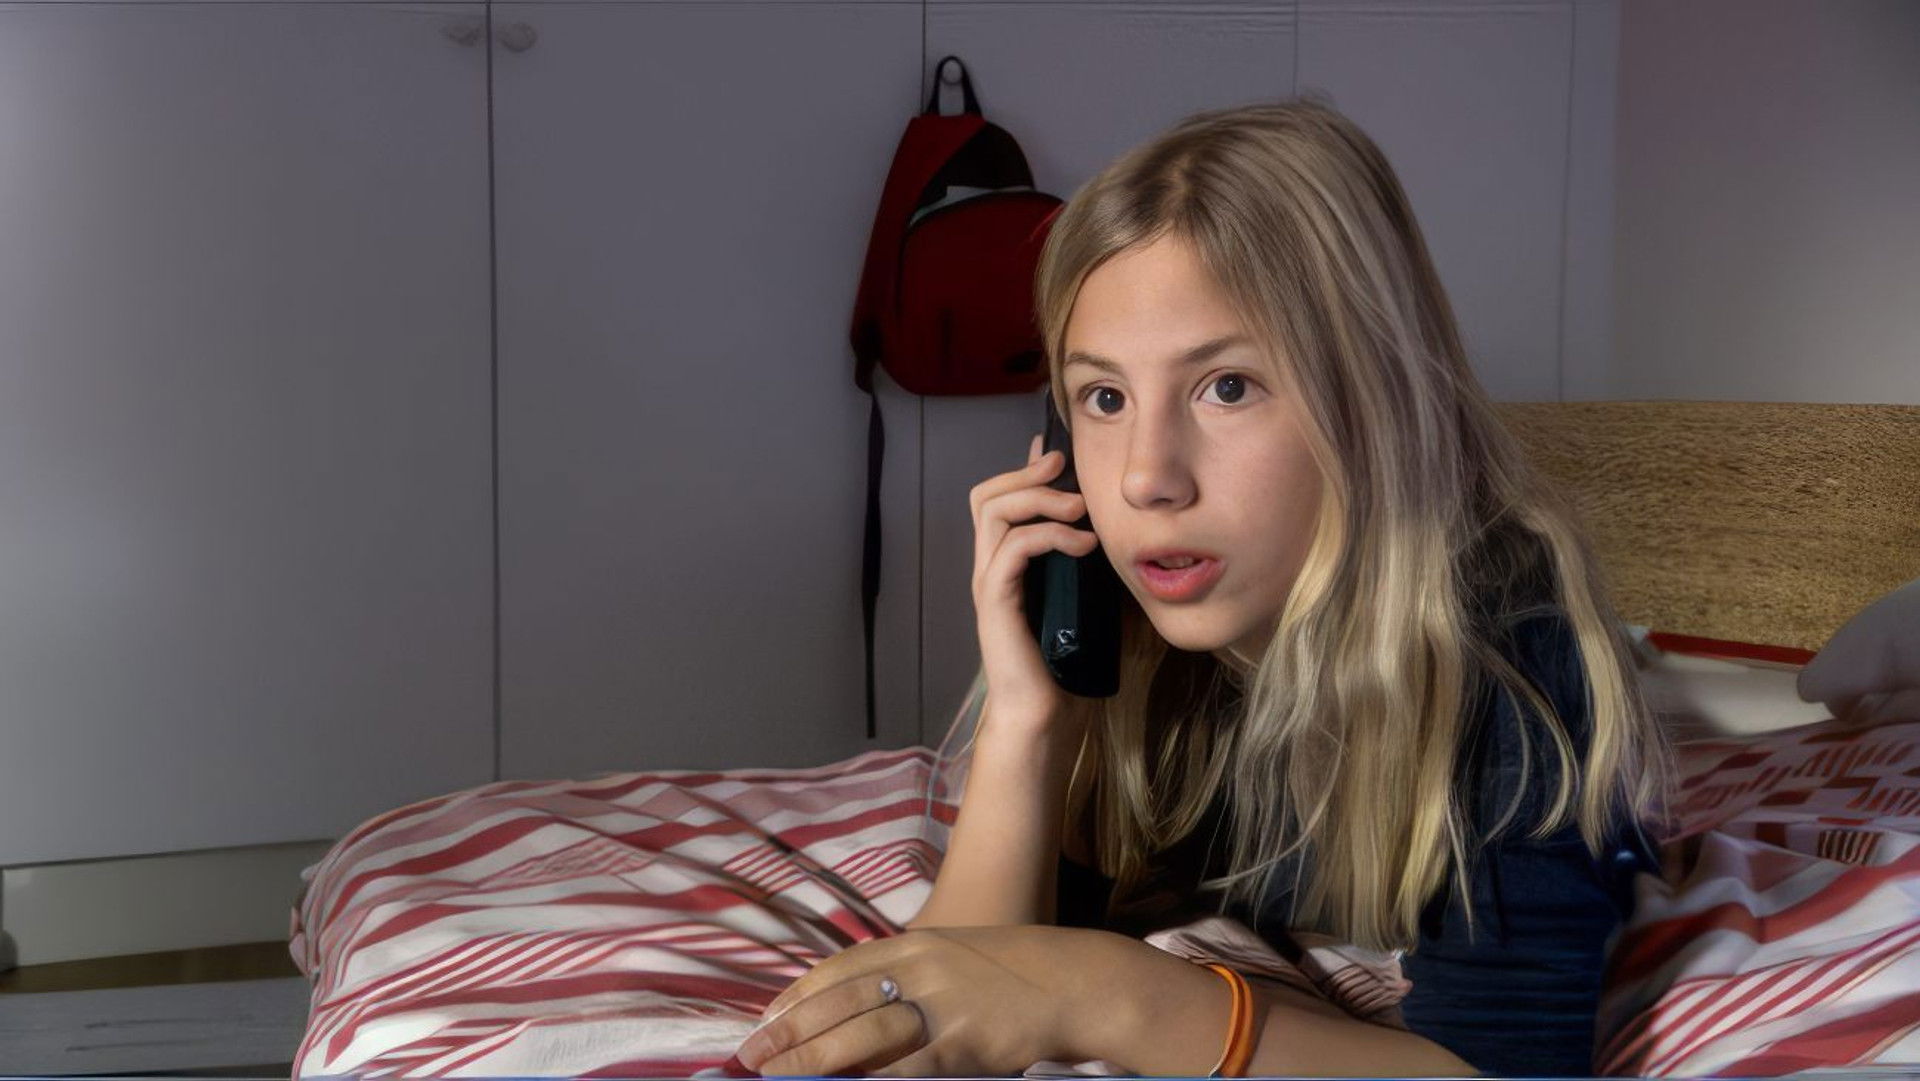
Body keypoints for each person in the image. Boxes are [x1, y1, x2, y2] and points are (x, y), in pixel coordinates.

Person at [732, 95, 1678, 1079]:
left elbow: (1506, 1071)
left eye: (1226, 387)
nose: (1147, 477)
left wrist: (1113, 994)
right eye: (1104, 397)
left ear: (1374, 403)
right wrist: (1027, 717)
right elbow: (953, 983)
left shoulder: (1517, 655)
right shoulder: (1130, 636)